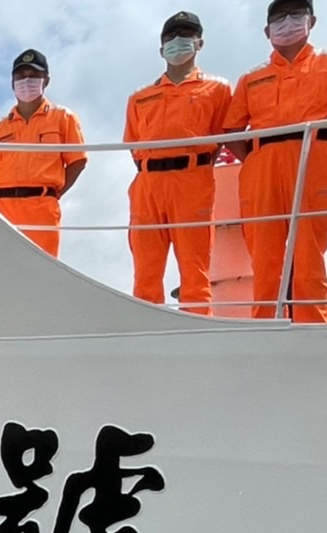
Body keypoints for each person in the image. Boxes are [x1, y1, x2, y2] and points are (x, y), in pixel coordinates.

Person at [225, 1, 327, 322]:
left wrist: (323, 147)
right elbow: (231, 129)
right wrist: (256, 158)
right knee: (264, 257)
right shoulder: (251, 78)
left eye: (296, 14)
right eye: (279, 17)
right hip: (262, 169)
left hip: (312, 161)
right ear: (267, 30)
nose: (288, 22)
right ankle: (266, 328)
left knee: (309, 254)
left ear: (311, 21)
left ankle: (312, 326)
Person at [123, 12, 232, 313]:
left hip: (192, 180)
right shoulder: (140, 97)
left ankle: (197, 329)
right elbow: (133, 144)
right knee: (145, 271)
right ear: (161, 49)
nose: (177, 41)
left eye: (185, 34)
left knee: (195, 269)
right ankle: (147, 330)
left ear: (199, 43)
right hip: (147, 183)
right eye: (170, 36)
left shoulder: (218, 89)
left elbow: (224, 135)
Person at [0, 49, 89, 257]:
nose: (26, 81)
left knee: (42, 269)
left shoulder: (63, 118)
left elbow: (77, 161)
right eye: (21, 76)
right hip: (2, 209)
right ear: (12, 83)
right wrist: (1, 201)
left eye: (34, 75)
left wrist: (53, 193)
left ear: (46, 80)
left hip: (42, 207)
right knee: (1, 266)